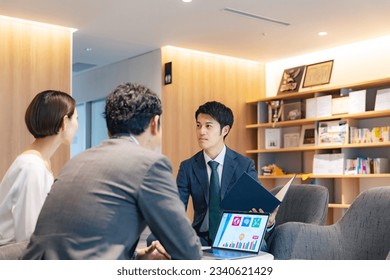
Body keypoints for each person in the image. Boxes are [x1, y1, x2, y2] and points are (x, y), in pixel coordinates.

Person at [21, 82, 202, 260]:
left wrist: (137, 257)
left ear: (109, 128)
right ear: (154, 123)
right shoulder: (150, 164)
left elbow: (85, 239)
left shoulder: (77, 162)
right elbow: (187, 249)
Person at [177, 101, 278, 250]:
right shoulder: (187, 167)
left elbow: (259, 205)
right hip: (200, 238)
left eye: (208, 126)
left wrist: (268, 221)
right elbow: (176, 209)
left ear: (225, 130)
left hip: (236, 235)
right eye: (198, 125)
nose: (201, 131)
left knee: (260, 246)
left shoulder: (244, 165)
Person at [0, 90, 78, 246]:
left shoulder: (37, 163)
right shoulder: (31, 167)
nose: (77, 125)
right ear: (64, 122)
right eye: (76, 118)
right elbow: (29, 237)